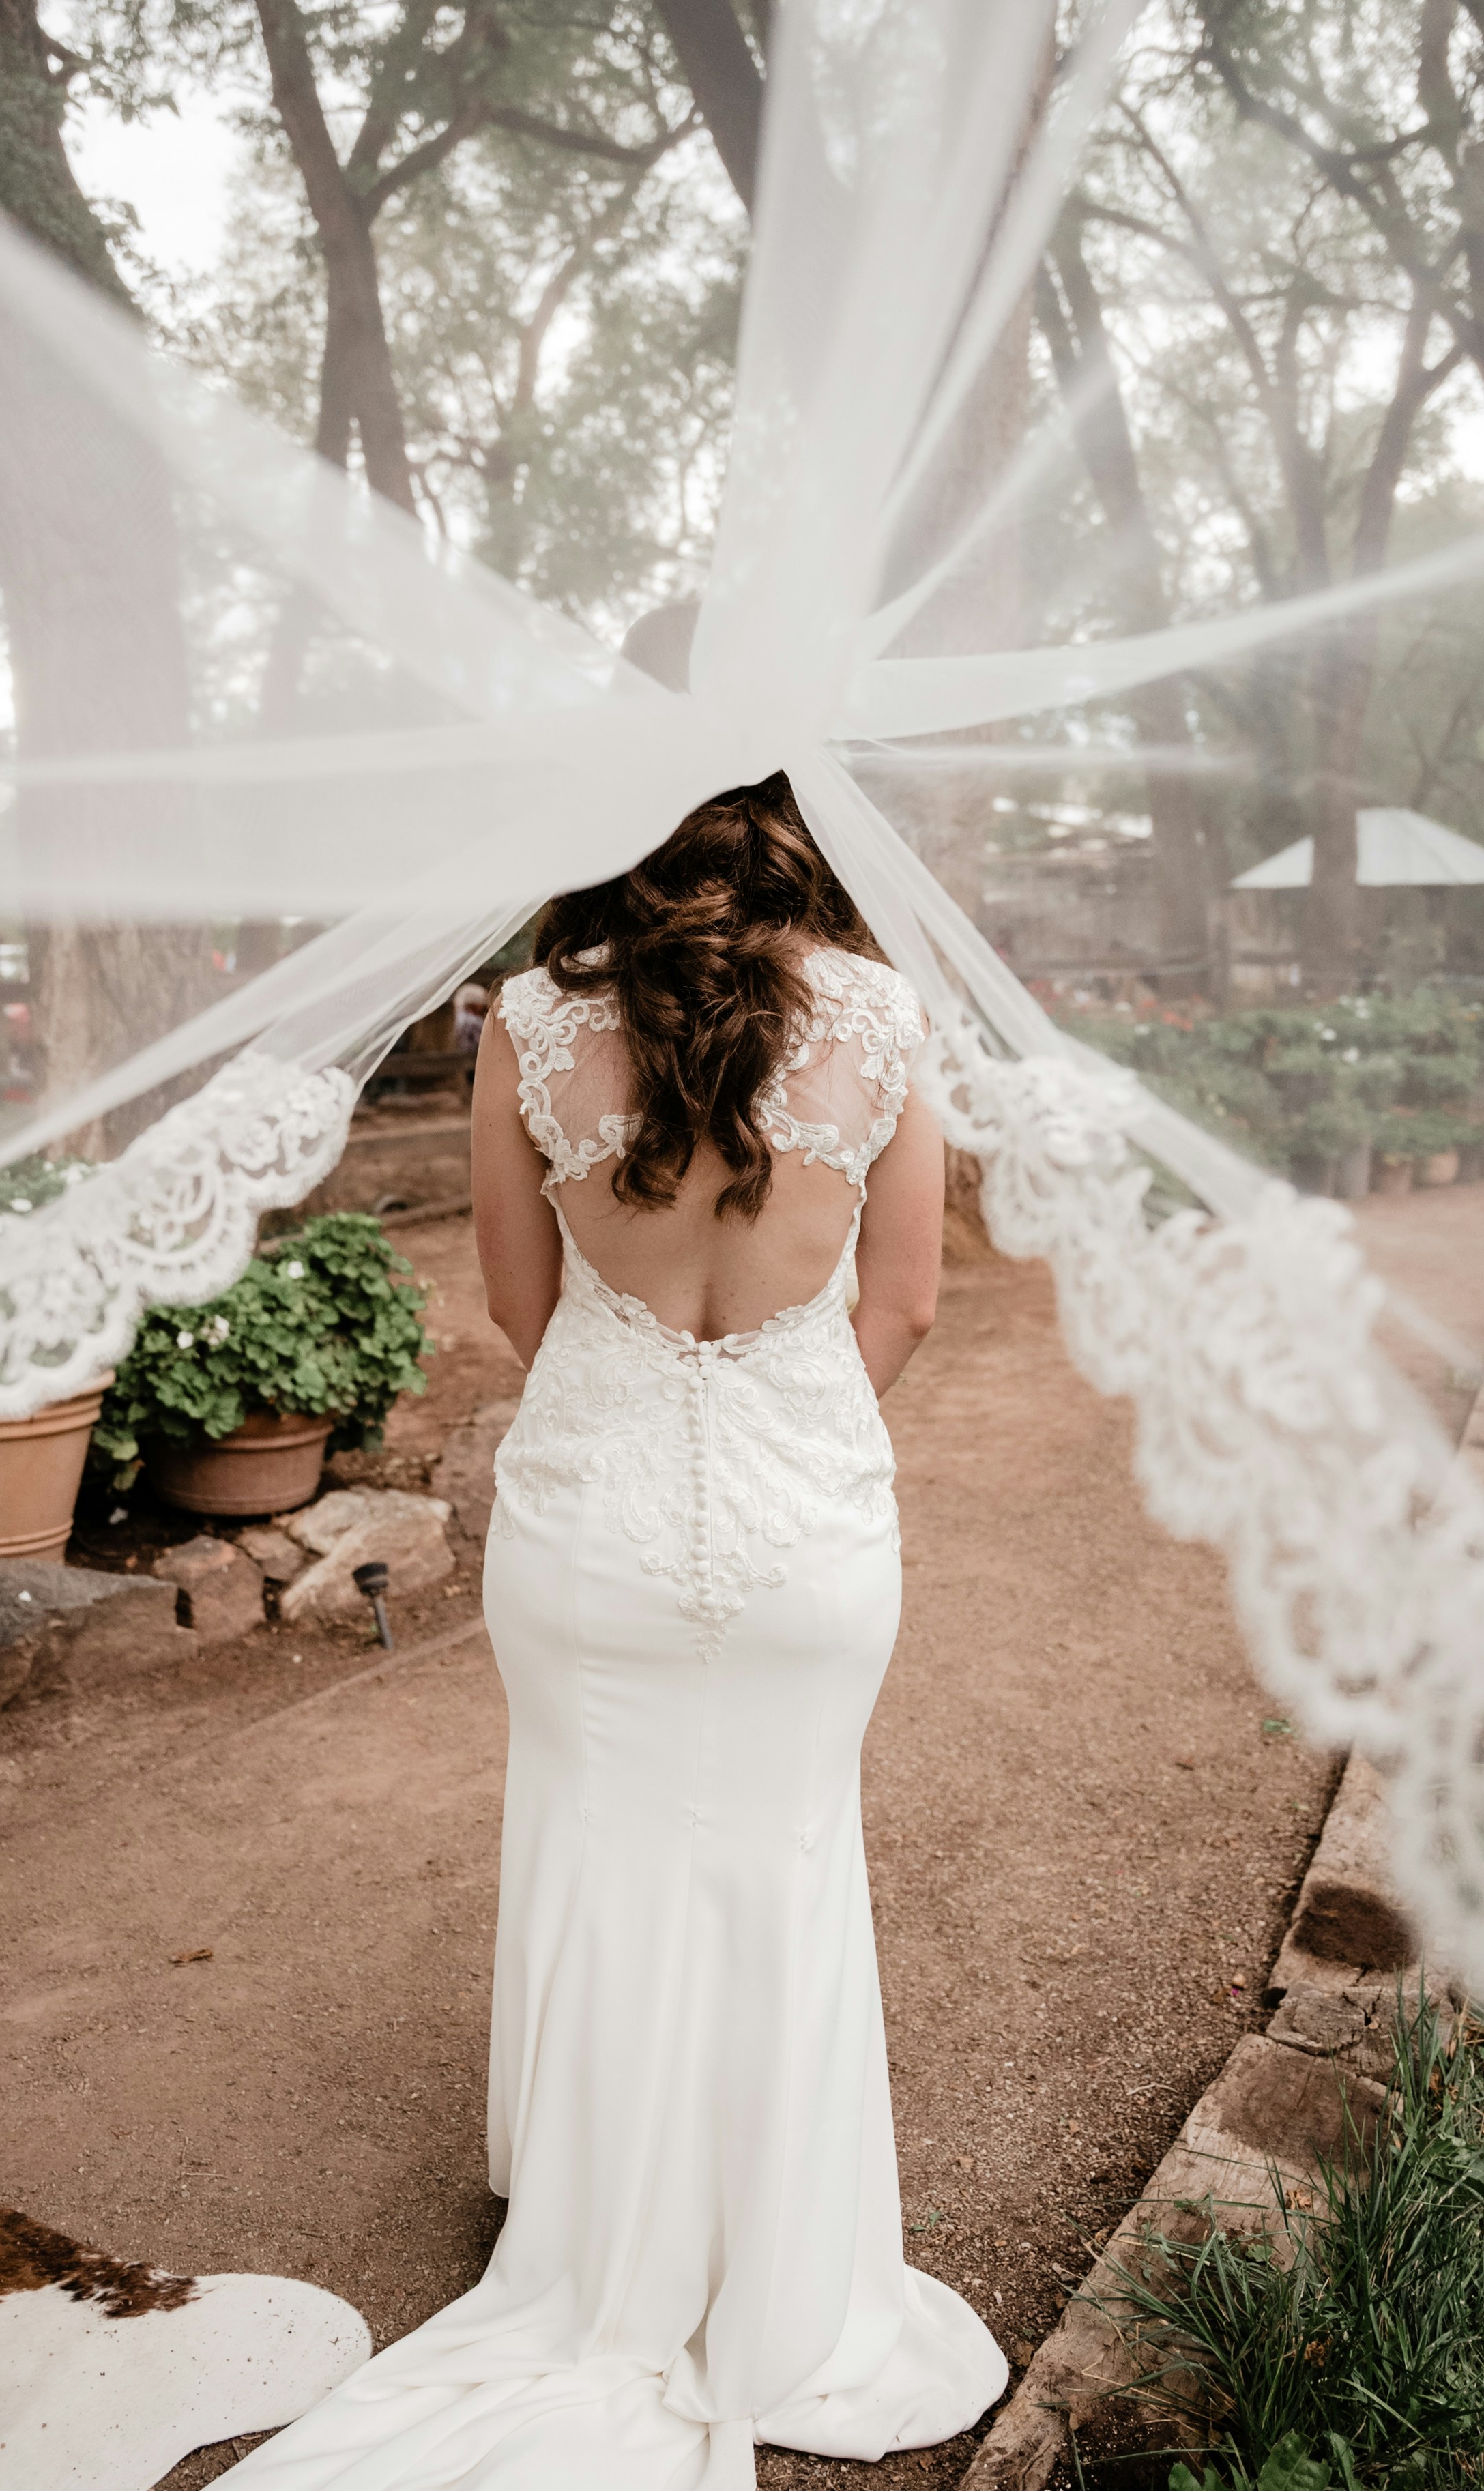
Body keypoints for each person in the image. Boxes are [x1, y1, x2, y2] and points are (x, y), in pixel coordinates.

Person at [226, 735, 1006, 2486]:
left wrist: (649, 1413)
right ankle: (784, 2272)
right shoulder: (880, 1015)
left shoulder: (528, 1018)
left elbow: (520, 1300)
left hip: (591, 1524)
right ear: (798, 805)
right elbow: (909, 1302)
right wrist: (781, 1425)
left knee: (594, 1845)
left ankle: (592, 2235)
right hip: (811, 1535)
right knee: (787, 1859)